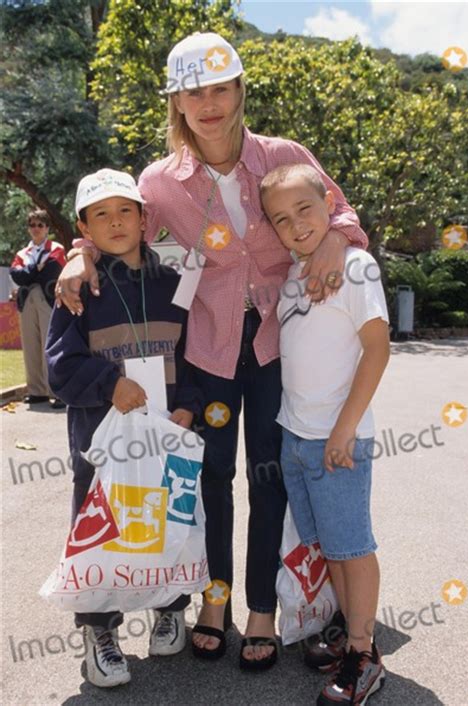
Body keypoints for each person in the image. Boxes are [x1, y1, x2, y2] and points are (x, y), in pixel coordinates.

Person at [55, 32, 369, 670]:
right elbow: (122, 238)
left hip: (280, 346)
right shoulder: (159, 182)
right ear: (176, 101)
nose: (209, 104)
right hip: (209, 352)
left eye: (220, 87)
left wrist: (338, 238)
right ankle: (213, 602)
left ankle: (263, 610)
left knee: (272, 478)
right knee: (210, 479)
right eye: (193, 91)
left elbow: (339, 215)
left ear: (239, 90)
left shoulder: (282, 154)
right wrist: (76, 252)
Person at [46, 169, 202, 688]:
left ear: (145, 219)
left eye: (125, 211)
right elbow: (61, 368)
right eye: (101, 214)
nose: (115, 221)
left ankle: (171, 608)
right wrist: (109, 383)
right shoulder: (77, 288)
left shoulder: (174, 286)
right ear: (83, 226)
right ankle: (100, 631)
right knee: (102, 535)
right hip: (102, 443)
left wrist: (191, 406)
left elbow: (196, 355)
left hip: (165, 435)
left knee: (169, 522)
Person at [260, 163, 390, 703]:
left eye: (305, 210)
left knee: (351, 547)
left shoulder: (354, 267)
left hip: (338, 440)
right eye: (281, 219)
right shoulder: (293, 277)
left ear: (329, 205)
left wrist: (344, 429)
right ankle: (348, 635)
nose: (296, 225)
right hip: (297, 437)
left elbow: (377, 349)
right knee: (330, 548)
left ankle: (364, 652)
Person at [9, 209, 66, 408]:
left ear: (47, 228)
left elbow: (52, 271)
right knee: (31, 345)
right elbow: (17, 276)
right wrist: (36, 269)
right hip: (26, 300)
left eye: (40, 225)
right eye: (32, 225)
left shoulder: (56, 248)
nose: (36, 229)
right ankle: (37, 390)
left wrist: (29, 272)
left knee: (50, 345)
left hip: (48, 298)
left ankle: (57, 391)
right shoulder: (22, 253)